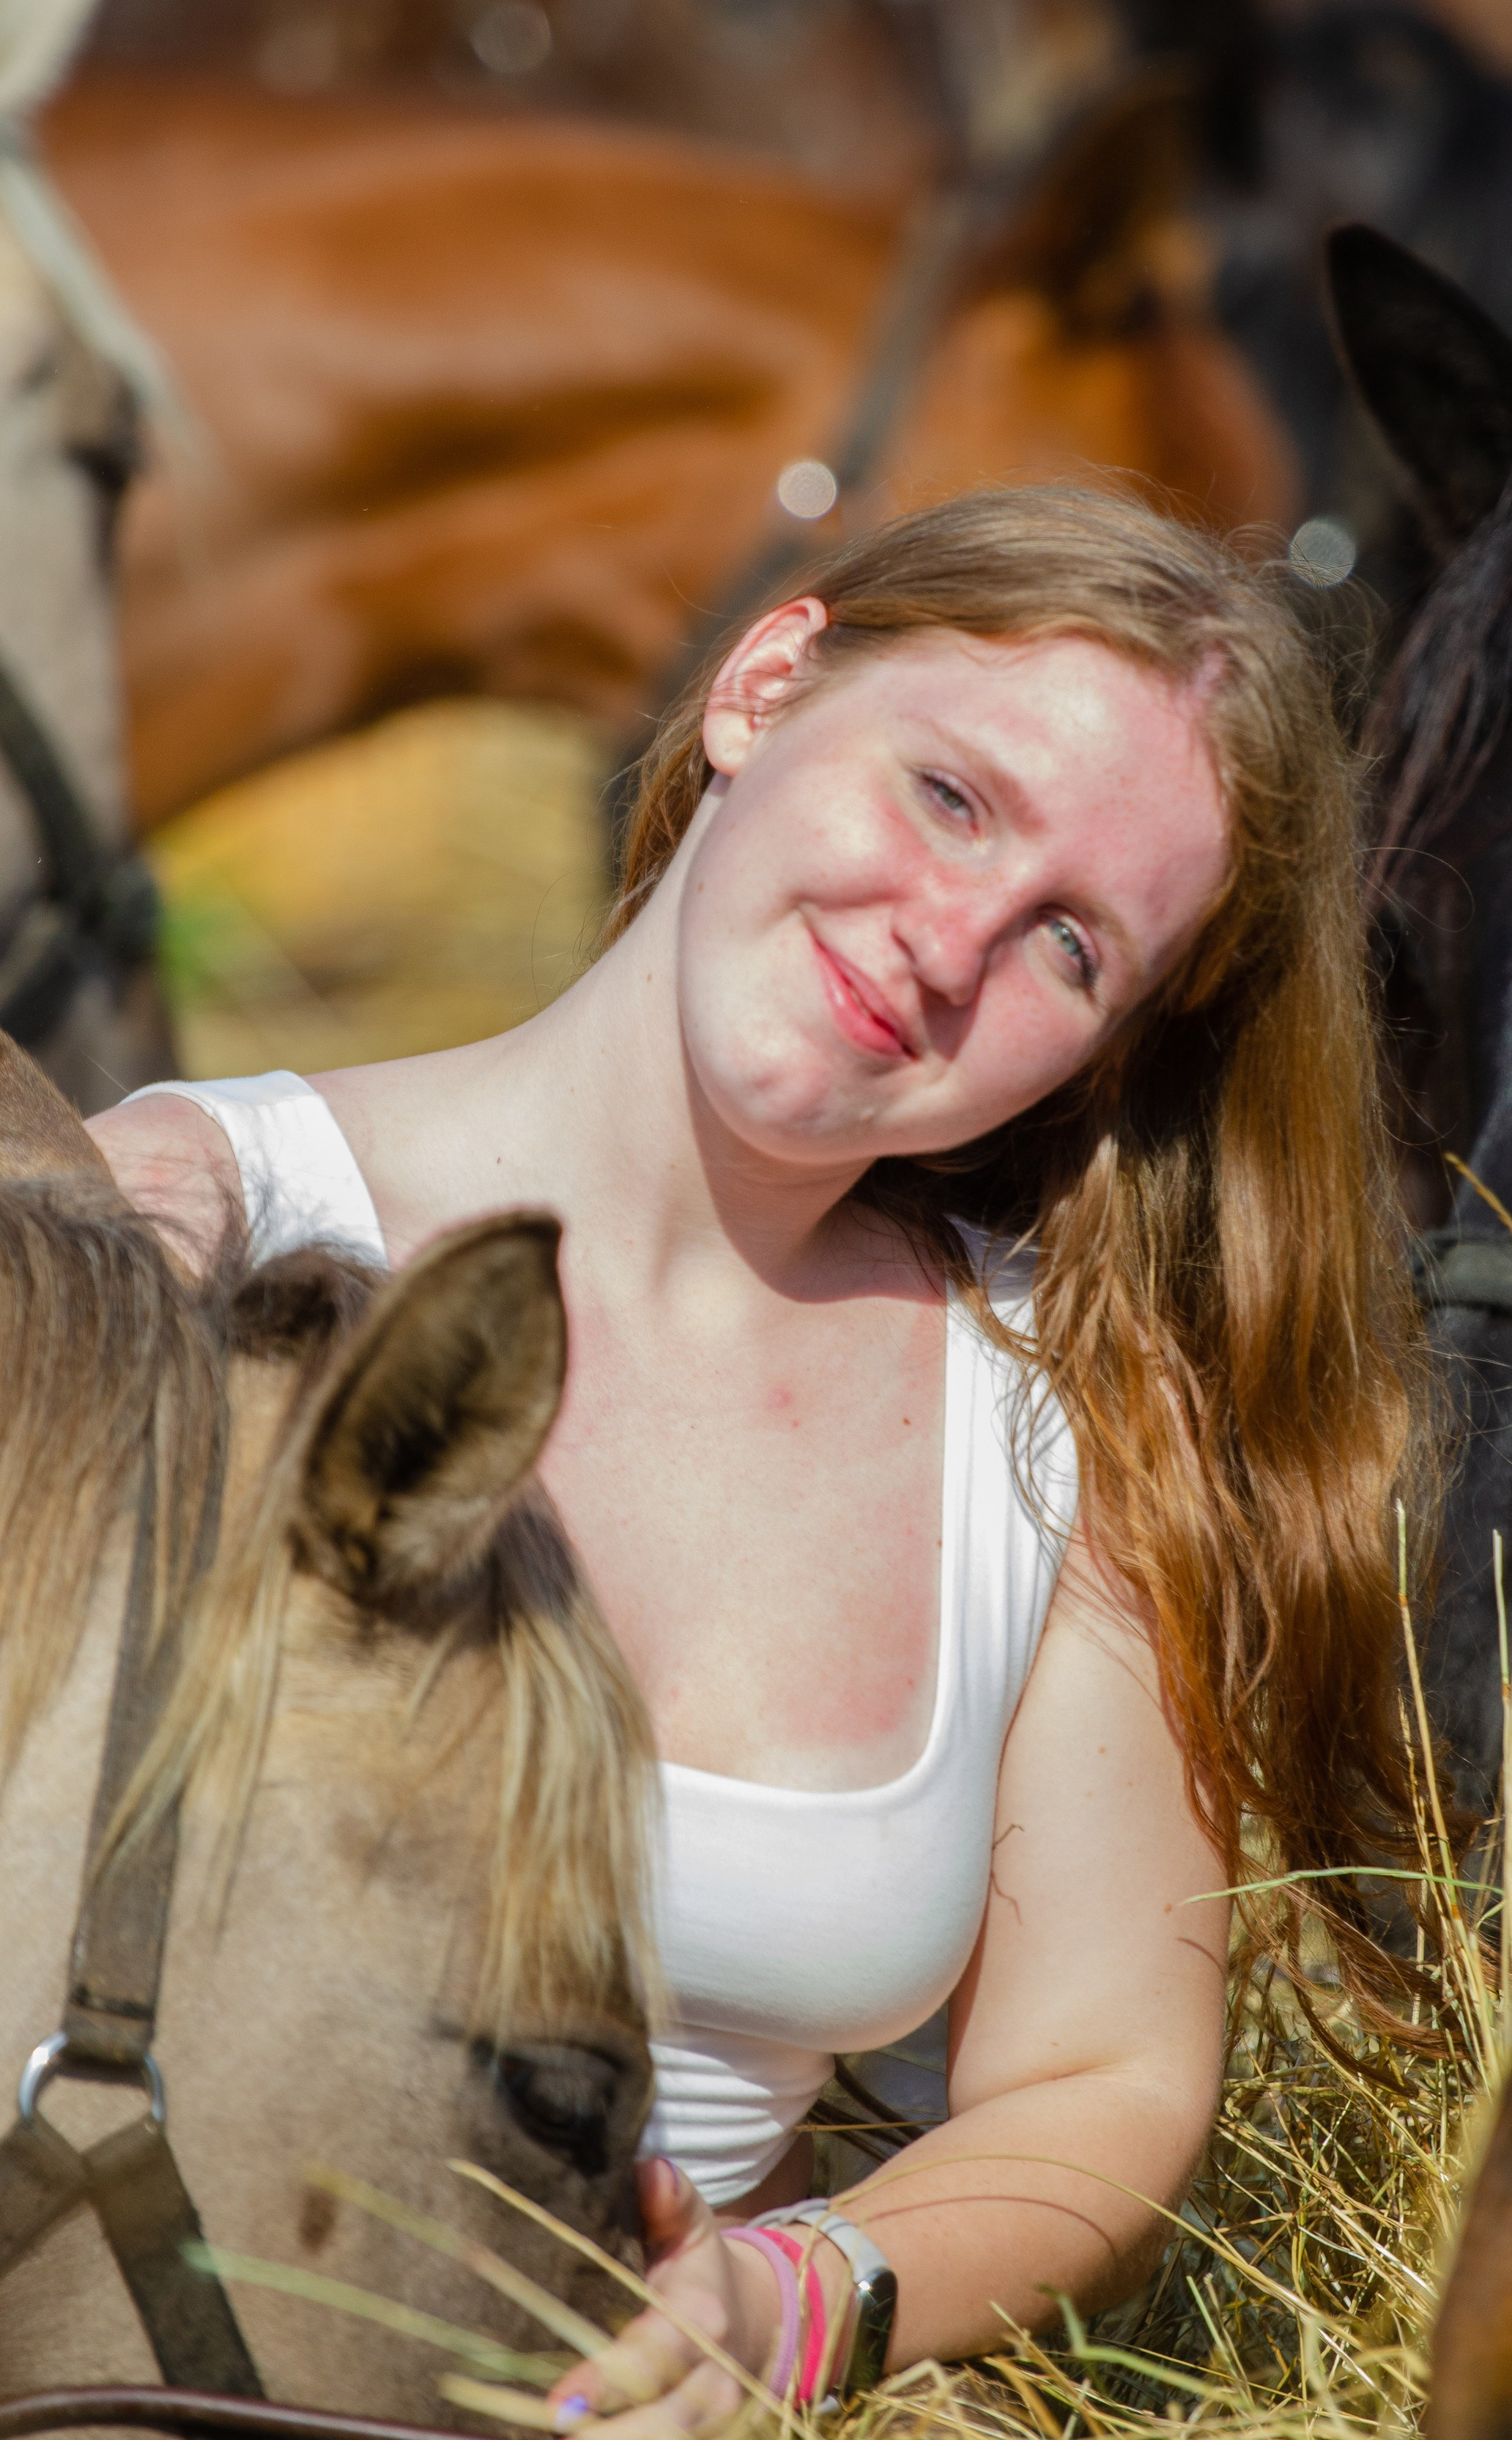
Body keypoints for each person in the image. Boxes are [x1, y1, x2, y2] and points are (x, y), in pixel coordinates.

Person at [93, 485, 1423, 2435]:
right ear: (766, 683)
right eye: (951, 796)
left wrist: (787, 2303)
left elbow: (1108, 2078)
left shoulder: (1055, 1430)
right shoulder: (178, 1226)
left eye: (1071, 942)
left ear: (1101, 1052)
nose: (951, 937)